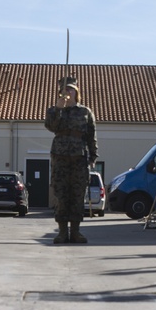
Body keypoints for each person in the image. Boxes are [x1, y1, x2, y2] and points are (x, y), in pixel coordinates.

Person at [44, 81, 97, 244]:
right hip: (60, 157)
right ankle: (61, 232)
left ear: (76, 93)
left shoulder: (85, 112)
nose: (67, 92)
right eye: (64, 90)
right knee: (61, 194)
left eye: (70, 90)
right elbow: (52, 127)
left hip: (79, 158)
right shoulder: (53, 110)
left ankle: (75, 231)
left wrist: (93, 156)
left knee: (77, 194)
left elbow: (91, 135)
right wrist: (59, 109)